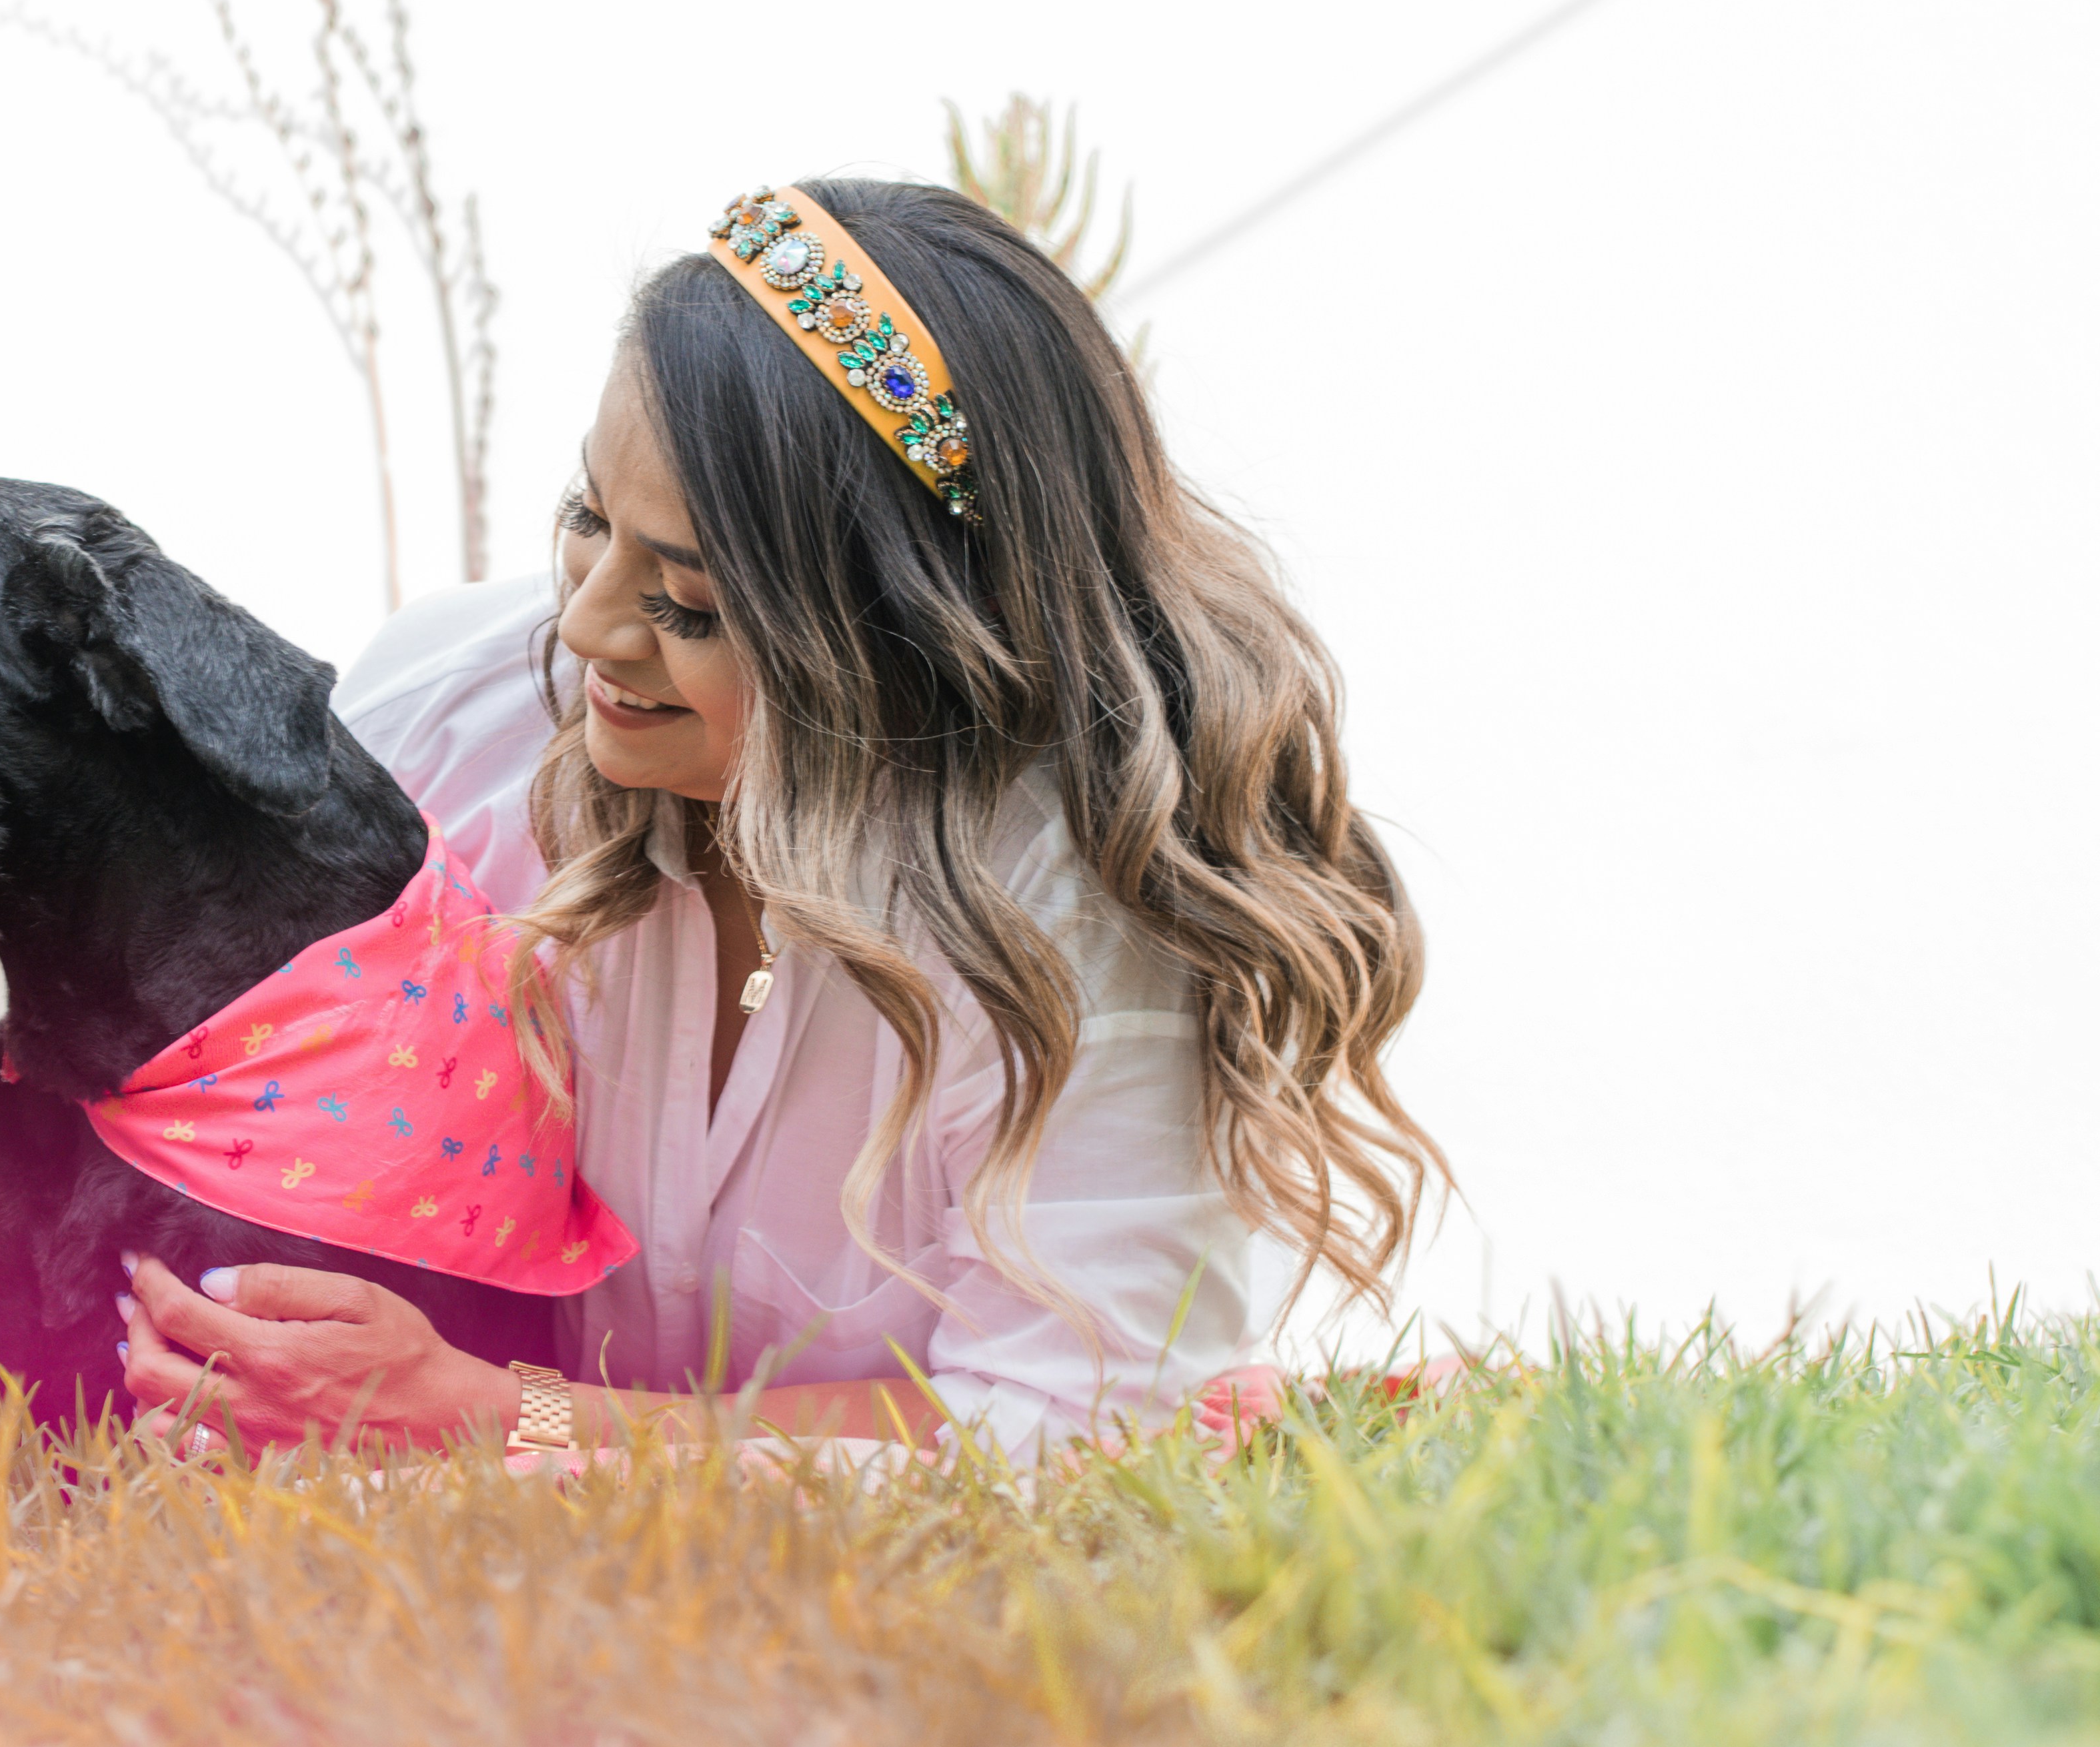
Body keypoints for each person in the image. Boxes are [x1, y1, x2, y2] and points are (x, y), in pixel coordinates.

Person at [115, 177, 1443, 1462]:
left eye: (688, 603)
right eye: (588, 518)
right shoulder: (450, 717)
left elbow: (1076, 1433)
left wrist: (498, 1417)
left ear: (903, 639)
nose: (586, 628)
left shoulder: (1066, 911)